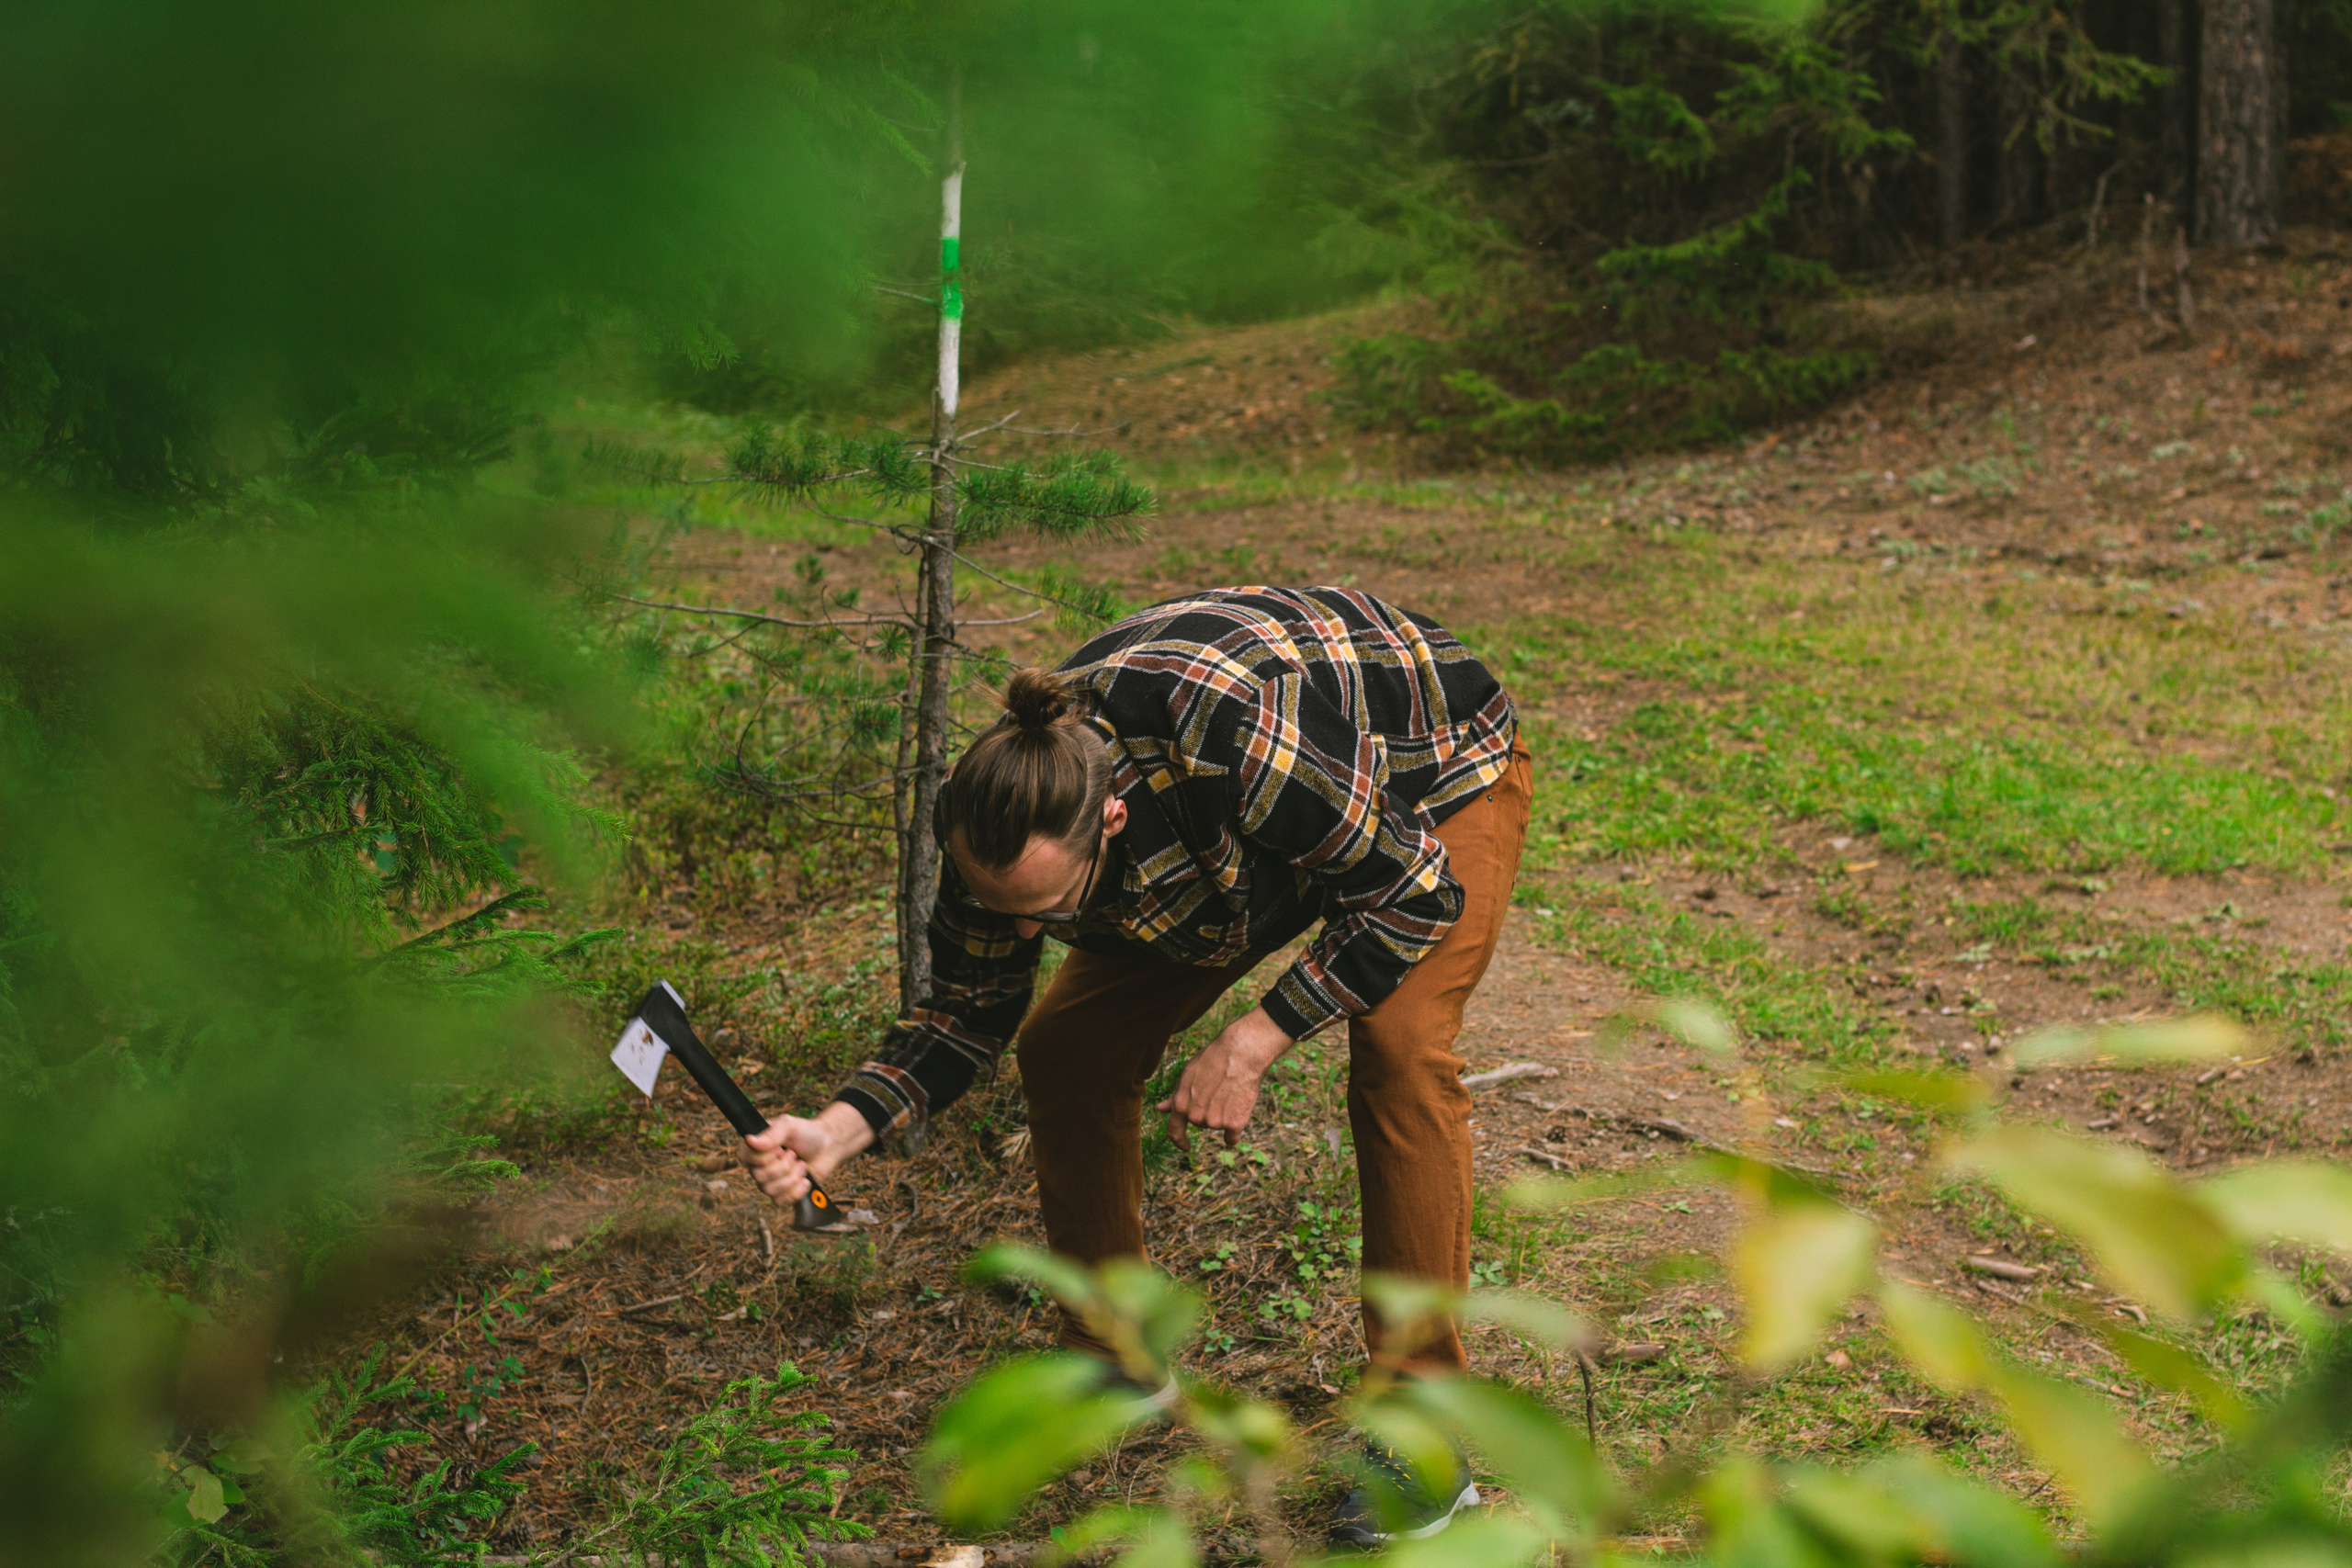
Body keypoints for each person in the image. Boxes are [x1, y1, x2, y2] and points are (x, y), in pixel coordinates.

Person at [741, 585, 1531, 1545]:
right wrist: (836, 1129)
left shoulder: (1231, 735)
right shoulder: (990, 822)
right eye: (1007, 912)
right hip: (1236, 848)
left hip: (1431, 772)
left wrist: (1255, 1037)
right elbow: (967, 1010)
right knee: (1066, 1045)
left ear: (1109, 821)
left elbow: (1409, 890)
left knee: (1400, 1052)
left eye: (1045, 908)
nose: (1025, 932)